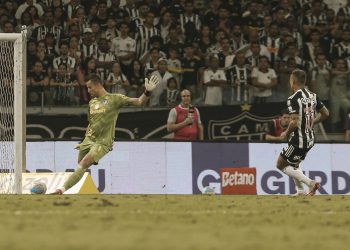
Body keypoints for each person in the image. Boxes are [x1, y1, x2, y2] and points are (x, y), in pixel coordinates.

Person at [51, 74, 160, 194]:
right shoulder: (92, 103)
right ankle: (69, 187)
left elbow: (139, 102)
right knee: (81, 166)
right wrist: (87, 132)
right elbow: (91, 121)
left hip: (103, 142)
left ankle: (60, 190)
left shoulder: (115, 99)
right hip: (88, 140)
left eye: (89, 87)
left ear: (97, 85)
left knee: (83, 164)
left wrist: (147, 92)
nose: (88, 91)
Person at [276, 69, 329, 196]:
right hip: (310, 138)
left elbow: (294, 122)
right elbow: (326, 114)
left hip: (298, 140)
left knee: (280, 164)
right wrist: (311, 122)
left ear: (293, 81)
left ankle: (310, 183)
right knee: (294, 164)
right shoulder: (313, 95)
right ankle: (300, 191)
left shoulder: (293, 98)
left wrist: (286, 133)